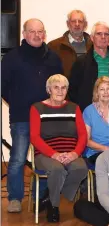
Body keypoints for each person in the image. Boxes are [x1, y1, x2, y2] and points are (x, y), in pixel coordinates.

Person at [2, 18, 63, 213]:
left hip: (48, 118)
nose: (37, 35)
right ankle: (15, 198)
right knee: (18, 159)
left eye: (40, 32)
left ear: (44, 34)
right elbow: (3, 87)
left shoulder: (53, 58)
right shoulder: (11, 58)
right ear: (24, 33)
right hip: (22, 118)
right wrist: (18, 102)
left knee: (45, 158)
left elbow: (60, 85)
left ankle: (40, 198)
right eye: (32, 31)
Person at [30, 74, 88, 222]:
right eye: (56, 87)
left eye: (63, 88)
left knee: (80, 169)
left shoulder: (74, 108)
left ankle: (50, 197)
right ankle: (54, 207)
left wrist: (75, 153)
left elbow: (82, 135)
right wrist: (54, 154)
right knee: (57, 169)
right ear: (49, 90)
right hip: (45, 154)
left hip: (70, 152)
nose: (60, 91)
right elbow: (34, 137)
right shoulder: (37, 108)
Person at [69, 21, 109, 110]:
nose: (103, 37)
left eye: (106, 34)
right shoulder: (81, 62)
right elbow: (73, 89)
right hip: (88, 111)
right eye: (99, 34)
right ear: (92, 37)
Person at [47, 9, 92, 77]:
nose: (77, 24)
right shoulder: (53, 46)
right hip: (64, 87)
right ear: (68, 23)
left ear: (85, 24)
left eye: (80, 21)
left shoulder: (93, 45)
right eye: (73, 21)